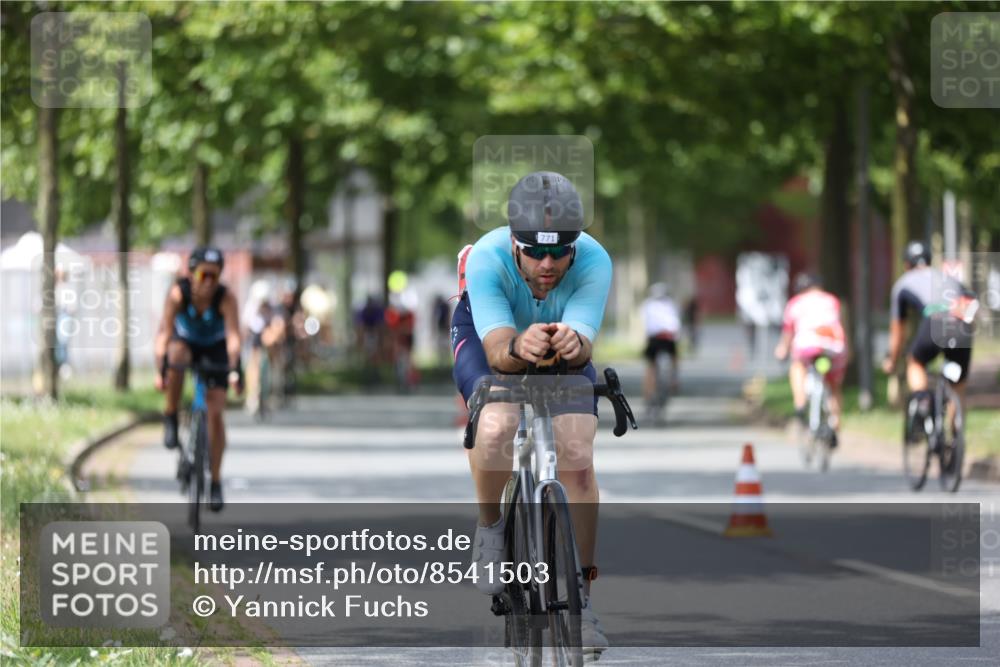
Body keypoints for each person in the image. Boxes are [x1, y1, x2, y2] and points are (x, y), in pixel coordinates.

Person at [452, 171, 612, 657]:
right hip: (491, 339)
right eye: (535, 252)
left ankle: (582, 601)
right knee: (498, 424)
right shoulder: (486, 257)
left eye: (560, 252)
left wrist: (575, 342)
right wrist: (520, 344)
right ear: (514, 244)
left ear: (575, 246)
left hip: (559, 350)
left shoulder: (595, 259)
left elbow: (583, 346)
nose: (548, 263)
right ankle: (491, 528)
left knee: (578, 455)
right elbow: (500, 351)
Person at [154, 246, 243, 512]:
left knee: (216, 413)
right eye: (204, 275)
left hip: (215, 348)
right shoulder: (178, 294)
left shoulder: (226, 299)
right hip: (185, 343)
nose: (209, 283)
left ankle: (215, 482)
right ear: (191, 274)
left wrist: (235, 367)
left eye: (215, 277)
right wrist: (161, 369)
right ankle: (170, 415)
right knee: (177, 354)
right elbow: (164, 335)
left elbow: (234, 337)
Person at [881, 241, 977, 437]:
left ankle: (923, 401)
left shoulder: (903, 283)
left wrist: (892, 358)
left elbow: (898, 329)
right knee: (957, 386)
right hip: (962, 324)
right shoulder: (947, 277)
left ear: (906, 264)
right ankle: (956, 441)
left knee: (915, 361)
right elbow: (971, 305)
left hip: (935, 320)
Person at [774, 273, 848, 445]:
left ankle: (800, 404)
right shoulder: (832, 300)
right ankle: (835, 423)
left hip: (807, 345)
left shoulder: (795, 304)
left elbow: (788, 334)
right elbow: (842, 326)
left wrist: (782, 350)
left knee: (797, 366)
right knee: (834, 385)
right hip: (834, 346)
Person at [641, 282, 682, 411]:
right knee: (675, 358)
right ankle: (674, 380)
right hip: (669, 338)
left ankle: (648, 395)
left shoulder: (647, 305)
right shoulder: (671, 304)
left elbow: (645, 323)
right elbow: (676, 323)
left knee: (650, 367)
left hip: (654, 339)